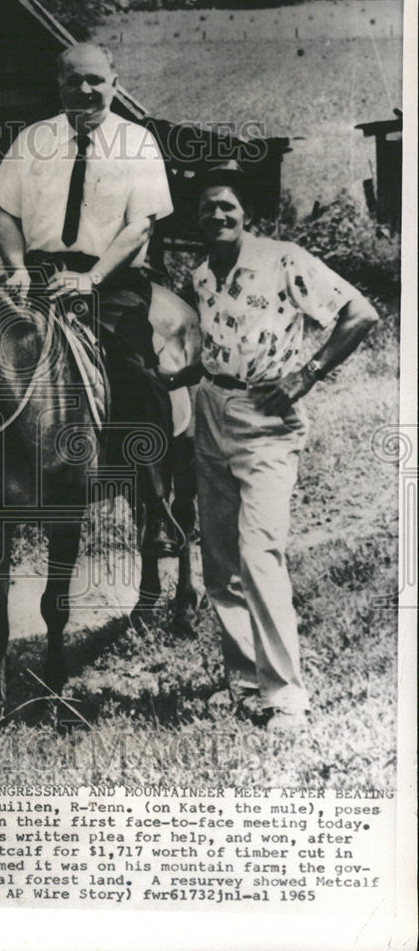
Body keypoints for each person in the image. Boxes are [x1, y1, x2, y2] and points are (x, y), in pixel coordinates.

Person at [186, 161, 379, 734]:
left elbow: (360, 313)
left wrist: (304, 375)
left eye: (229, 206)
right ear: (196, 222)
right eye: (207, 209)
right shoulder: (200, 277)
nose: (218, 214)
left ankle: (286, 696)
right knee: (219, 562)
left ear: (247, 214)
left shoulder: (283, 257)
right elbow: (213, 348)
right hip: (210, 412)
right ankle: (244, 682)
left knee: (259, 554)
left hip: (266, 419)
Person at [0, 42, 181, 555]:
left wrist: (92, 278)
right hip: (37, 280)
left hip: (110, 285)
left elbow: (140, 226)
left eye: (95, 79)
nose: (85, 90)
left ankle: (155, 506)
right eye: (74, 80)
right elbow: (4, 212)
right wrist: (17, 270)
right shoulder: (31, 141)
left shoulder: (138, 144)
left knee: (137, 373)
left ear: (114, 82)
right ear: (60, 85)